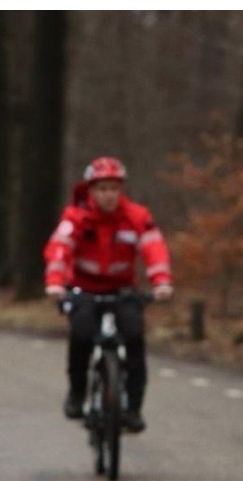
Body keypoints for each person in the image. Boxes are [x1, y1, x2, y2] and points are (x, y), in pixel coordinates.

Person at [44, 156, 173, 433]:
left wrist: (161, 281)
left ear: (121, 190)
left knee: (135, 339)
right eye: (102, 189)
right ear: (91, 191)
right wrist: (56, 283)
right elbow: (59, 248)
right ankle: (77, 393)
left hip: (123, 289)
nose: (108, 195)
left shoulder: (137, 217)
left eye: (114, 188)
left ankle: (133, 408)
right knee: (80, 336)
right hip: (85, 289)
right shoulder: (75, 217)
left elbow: (154, 248)